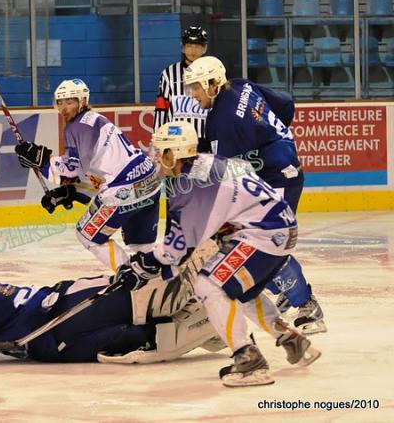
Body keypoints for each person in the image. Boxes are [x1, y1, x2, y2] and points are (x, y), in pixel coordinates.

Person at [113, 121, 321, 387]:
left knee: (209, 285)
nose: (156, 156)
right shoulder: (209, 162)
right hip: (275, 230)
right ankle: (293, 341)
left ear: (173, 154)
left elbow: (177, 249)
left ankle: (249, 359)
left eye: (161, 150)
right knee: (241, 293)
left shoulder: (191, 185)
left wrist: (145, 264)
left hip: (263, 236)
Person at [182, 55, 326, 335]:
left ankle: (307, 305)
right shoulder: (239, 85)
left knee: (267, 241)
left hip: (275, 176)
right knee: (253, 240)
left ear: (213, 83)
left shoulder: (223, 120)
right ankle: (285, 290)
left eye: (197, 87)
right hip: (280, 170)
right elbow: (285, 103)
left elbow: (223, 173)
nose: (193, 94)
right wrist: (272, 137)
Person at [0, 253, 221, 368]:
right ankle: (208, 312)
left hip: (60, 327)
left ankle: (202, 309)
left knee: (136, 332)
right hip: (68, 298)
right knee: (135, 319)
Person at [13, 78, 160, 270]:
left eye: (70, 102)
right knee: (141, 245)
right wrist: (71, 192)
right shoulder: (95, 119)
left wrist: (42, 160)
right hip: (149, 182)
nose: (64, 108)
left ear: (82, 101)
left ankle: (130, 278)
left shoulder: (79, 125)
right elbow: (98, 173)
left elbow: (76, 167)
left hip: (124, 190)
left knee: (87, 235)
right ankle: (161, 279)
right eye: (60, 102)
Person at [154, 25, 210, 153]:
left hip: (207, 138)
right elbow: (162, 108)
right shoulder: (169, 74)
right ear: (183, 47)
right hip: (177, 138)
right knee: (180, 173)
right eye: (189, 46)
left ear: (204, 48)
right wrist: (160, 137)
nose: (193, 51)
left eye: (197, 46)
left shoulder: (212, 71)